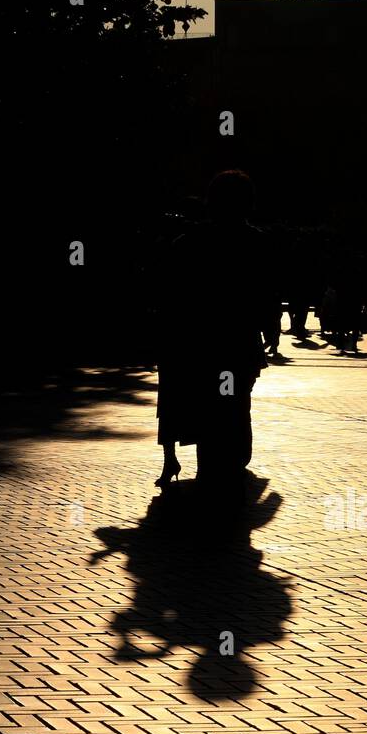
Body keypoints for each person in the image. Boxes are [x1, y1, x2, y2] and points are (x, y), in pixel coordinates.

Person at [157, 170, 275, 497]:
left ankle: (212, 468)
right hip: (240, 344)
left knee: (210, 407)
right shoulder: (258, 242)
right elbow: (265, 293)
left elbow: (172, 297)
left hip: (201, 346)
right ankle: (232, 464)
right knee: (236, 404)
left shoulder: (188, 243)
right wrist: (270, 328)